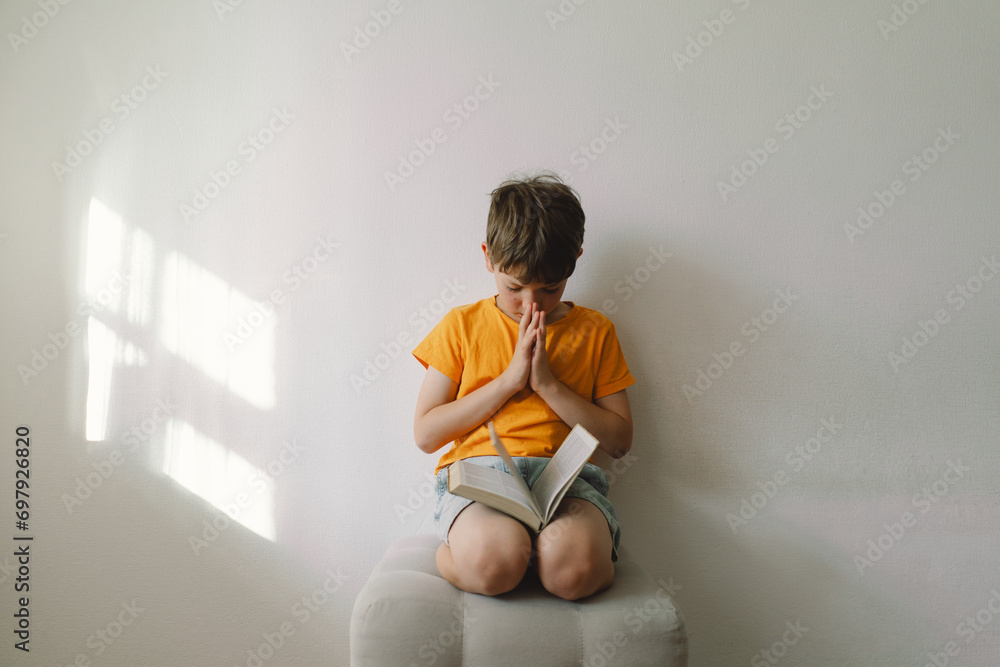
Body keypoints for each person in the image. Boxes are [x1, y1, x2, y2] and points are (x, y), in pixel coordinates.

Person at [411, 172, 634, 601]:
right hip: (482, 480)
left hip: (566, 483)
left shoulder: (595, 331)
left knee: (575, 574)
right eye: (515, 288)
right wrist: (510, 382)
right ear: (488, 259)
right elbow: (426, 434)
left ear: (574, 262)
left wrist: (548, 385)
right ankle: (457, 553)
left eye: (550, 289)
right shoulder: (462, 326)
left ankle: (546, 553)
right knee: (495, 564)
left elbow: (620, 440)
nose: (532, 304)